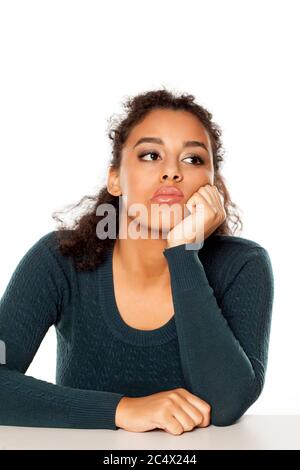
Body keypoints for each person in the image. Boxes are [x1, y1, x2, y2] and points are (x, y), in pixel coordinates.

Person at [0, 88, 274, 435]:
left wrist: (183, 253)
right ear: (115, 178)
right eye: (150, 155)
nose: (172, 172)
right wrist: (121, 410)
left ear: (213, 186)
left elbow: (226, 404)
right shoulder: (60, 260)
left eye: (192, 160)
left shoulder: (243, 264)